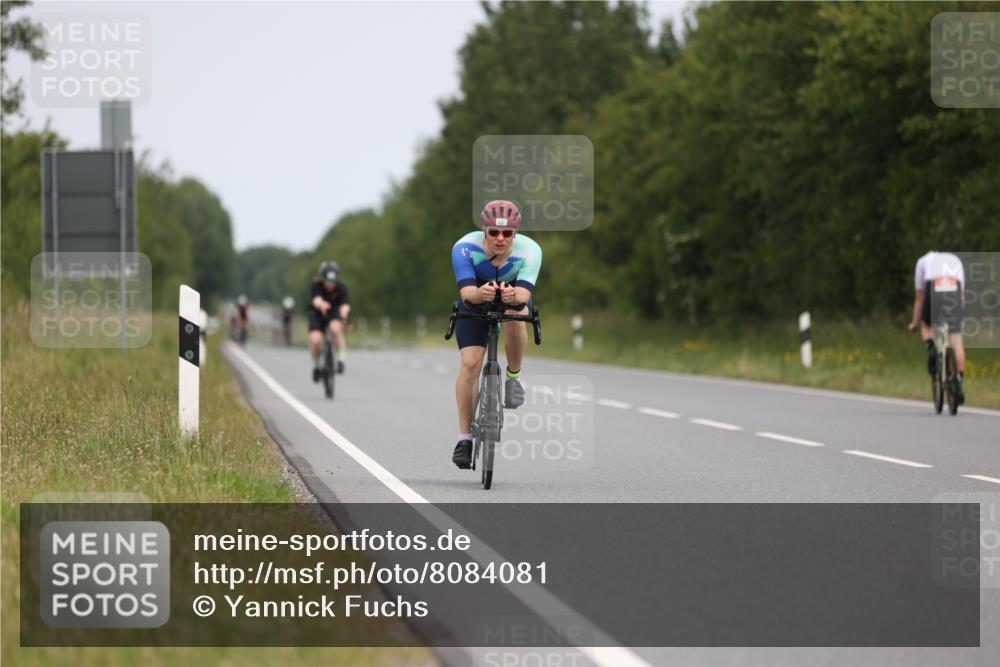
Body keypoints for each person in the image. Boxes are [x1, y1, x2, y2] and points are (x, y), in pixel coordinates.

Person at [450, 199, 542, 469]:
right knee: (470, 363)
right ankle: (464, 439)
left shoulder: (531, 250)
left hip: (513, 294)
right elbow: (467, 293)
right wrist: (480, 294)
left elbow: (525, 294)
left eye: (507, 233)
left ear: (516, 233)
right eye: (494, 232)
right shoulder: (464, 247)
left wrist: (514, 296)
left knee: (516, 313)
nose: (500, 239)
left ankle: (513, 378)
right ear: (484, 230)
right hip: (477, 297)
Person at [908, 251, 965, 404]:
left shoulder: (923, 260)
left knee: (926, 325)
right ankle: (959, 381)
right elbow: (961, 295)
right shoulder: (955, 260)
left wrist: (914, 323)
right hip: (954, 288)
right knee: (956, 338)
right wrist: (960, 319)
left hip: (933, 287)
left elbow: (920, 296)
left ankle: (931, 348)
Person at [308, 261, 351, 380]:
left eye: (332, 281)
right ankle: (316, 366)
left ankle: (341, 360)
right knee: (315, 340)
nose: (330, 284)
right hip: (318, 314)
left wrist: (344, 313)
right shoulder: (316, 286)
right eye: (327, 281)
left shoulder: (341, 287)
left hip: (334, 313)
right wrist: (321, 304)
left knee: (335, 328)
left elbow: (345, 304)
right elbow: (316, 299)